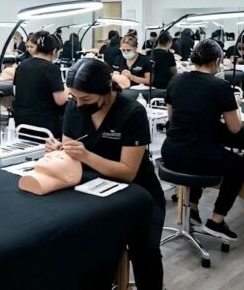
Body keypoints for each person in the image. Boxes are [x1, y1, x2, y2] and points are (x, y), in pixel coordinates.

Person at [45, 58, 164, 290]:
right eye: (74, 97)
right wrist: (60, 151)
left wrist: (85, 155)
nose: (79, 104)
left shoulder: (132, 112)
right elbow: (69, 150)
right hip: (91, 189)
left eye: (86, 99)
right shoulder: (74, 106)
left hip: (138, 193)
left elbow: (127, 173)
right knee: (83, 246)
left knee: (146, 249)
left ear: (106, 89)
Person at [161, 39, 244, 240]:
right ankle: (217, 221)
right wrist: (235, 106)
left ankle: (192, 211)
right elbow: (235, 128)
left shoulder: (176, 80)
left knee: (197, 155)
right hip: (200, 157)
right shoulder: (221, 86)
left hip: (171, 153)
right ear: (217, 61)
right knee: (239, 166)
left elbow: (172, 117)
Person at [13, 31, 67, 137]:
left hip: (21, 124)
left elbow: (15, 92)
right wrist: (68, 89)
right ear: (54, 51)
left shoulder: (22, 65)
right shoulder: (52, 68)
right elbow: (60, 101)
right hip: (45, 127)